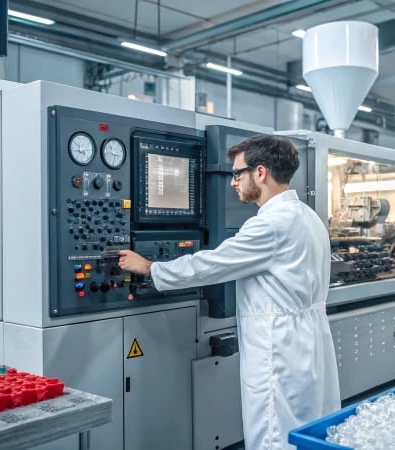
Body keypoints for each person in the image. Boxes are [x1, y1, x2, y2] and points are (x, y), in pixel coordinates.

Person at [118, 135, 340, 449]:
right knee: (308, 428)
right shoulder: (308, 217)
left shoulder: (270, 225)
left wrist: (151, 268)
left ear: (260, 172)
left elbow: (210, 264)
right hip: (309, 339)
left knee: (275, 434)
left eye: (238, 174)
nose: (233, 182)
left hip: (279, 346)